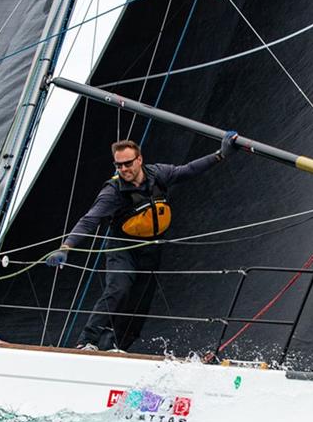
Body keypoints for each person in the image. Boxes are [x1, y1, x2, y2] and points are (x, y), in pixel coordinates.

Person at [46, 132, 237, 351]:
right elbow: (90, 220)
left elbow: (189, 170)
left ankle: (117, 347)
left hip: (150, 249)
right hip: (123, 248)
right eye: (119, 165)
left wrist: (220, 155)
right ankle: (86, 341)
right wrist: (66, 247)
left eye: (127, 163)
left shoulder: (158, 174)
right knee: (119, 288)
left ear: (139, 160)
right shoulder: (113, 191)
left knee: (139, 303)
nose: (123, 169)